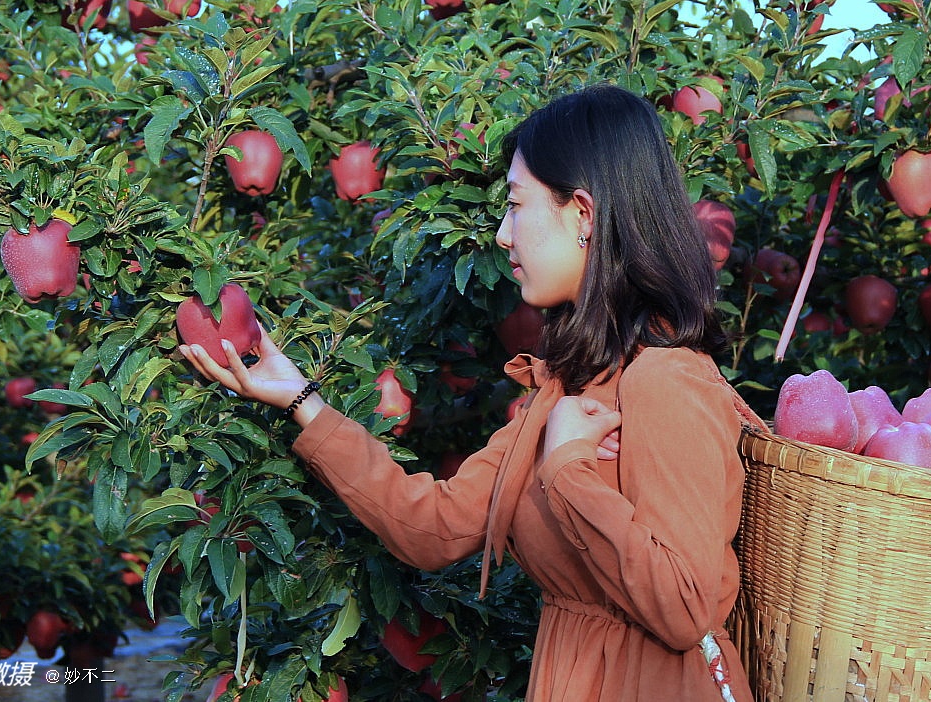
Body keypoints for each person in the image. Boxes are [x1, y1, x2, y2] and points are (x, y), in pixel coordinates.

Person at [180, 83, 767, 702]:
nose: (503, 235)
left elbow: (685, 606)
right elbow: (431, 527)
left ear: (584, 215)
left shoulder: (667, 380)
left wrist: (567, 469)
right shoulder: (570, 385)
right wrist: (301, 399)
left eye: (515, 205)